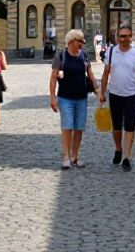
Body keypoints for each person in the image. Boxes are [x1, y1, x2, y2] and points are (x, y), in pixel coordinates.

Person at [99, 25, 135, 172]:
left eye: (127, 36)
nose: (125, 39)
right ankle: (118, 149)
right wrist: (102, 92)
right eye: (122, 36)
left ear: (130, 37)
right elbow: (106, 73)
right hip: (115, 94)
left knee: (130, 126)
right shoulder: (111, 52)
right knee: (116, 126)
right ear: (117, 38)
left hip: (132, 95)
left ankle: (126, 157)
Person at [48, 29, 97, 170]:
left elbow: (91, 74)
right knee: (67, 127)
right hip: (65, 98)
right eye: (79, 40)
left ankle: (75, 156)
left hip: (82, 97)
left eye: (83, 41)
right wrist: (52, 97)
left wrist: (97, 89)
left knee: (79, 128)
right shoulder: (61, 56)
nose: (82, 43)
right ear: (71, 41)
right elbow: (53, 78)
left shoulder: (85, 56)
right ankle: (66, 157)